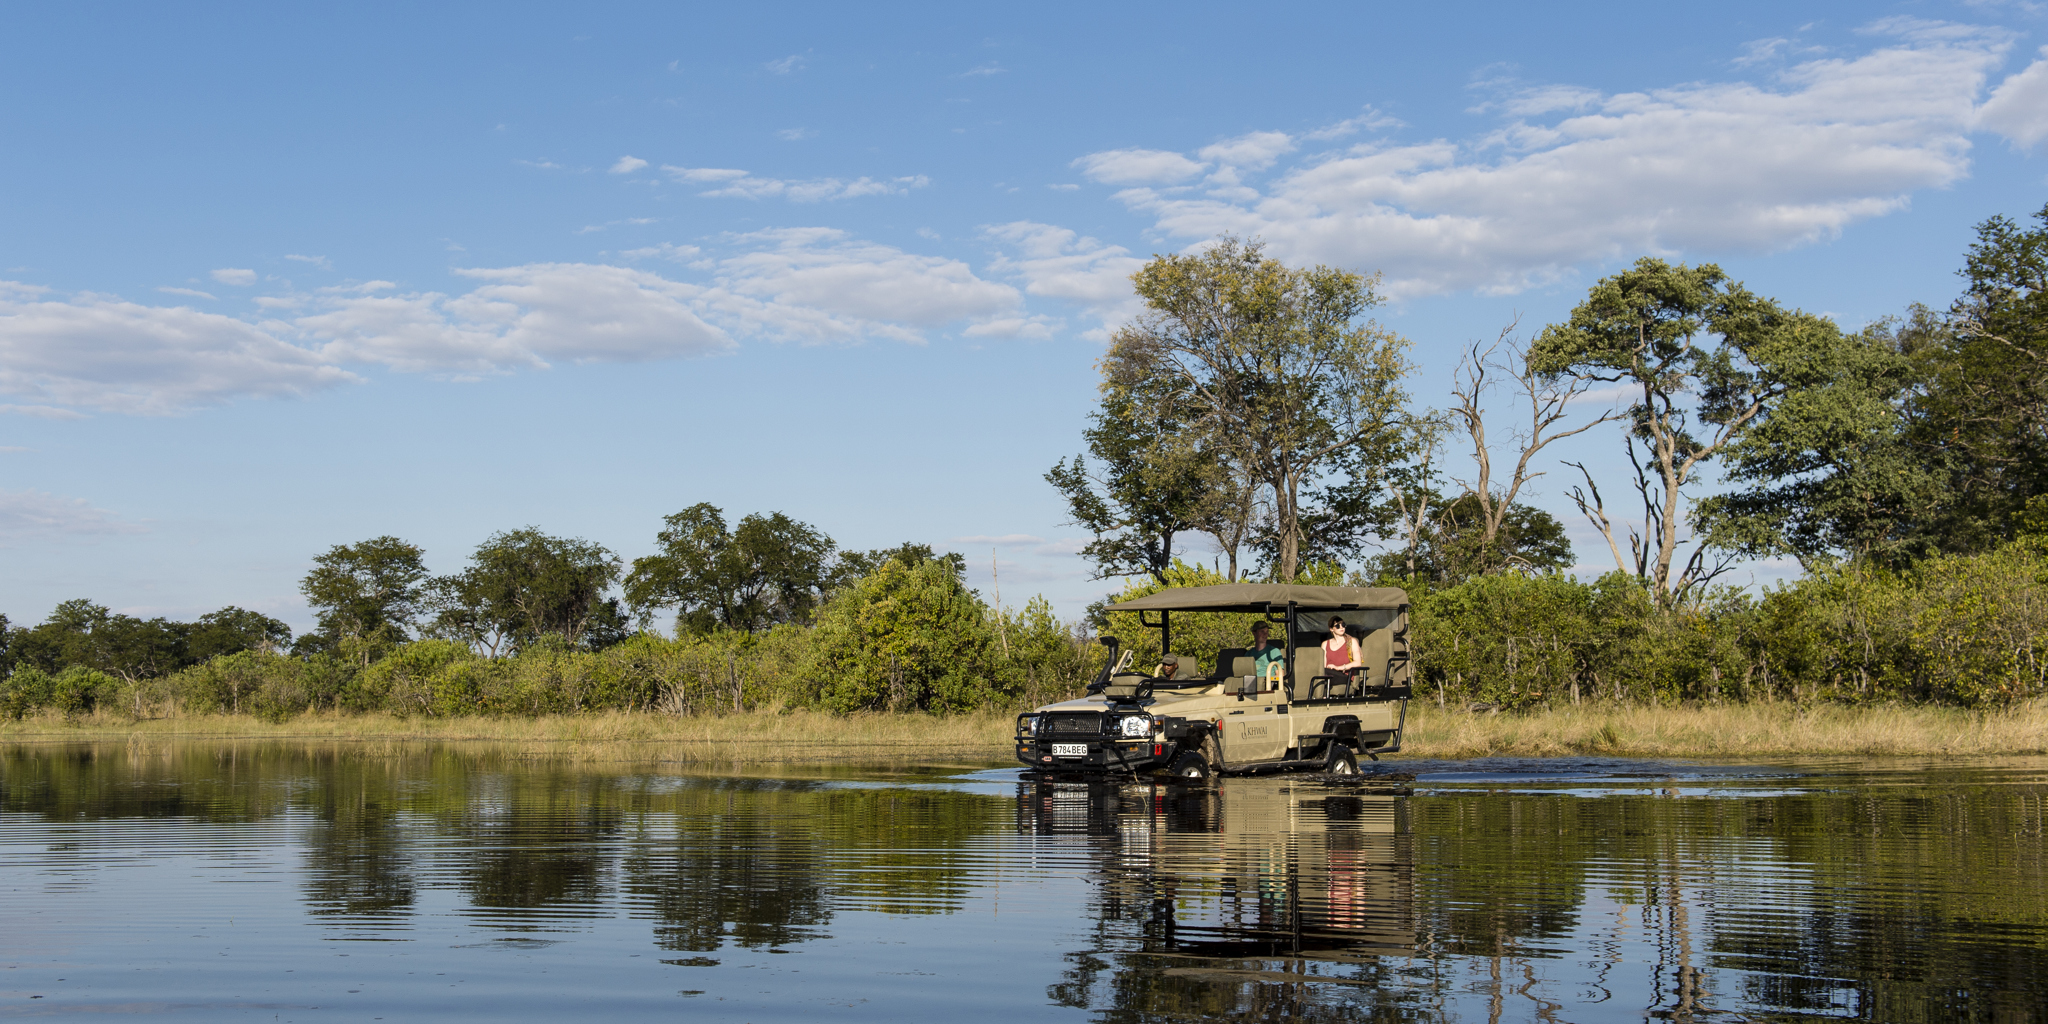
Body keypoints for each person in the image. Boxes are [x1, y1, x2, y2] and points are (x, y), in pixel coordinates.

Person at [1322, 617, 1363, 689]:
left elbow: (1358, 662)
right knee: (1321, 672)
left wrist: (1338, 668)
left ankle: (1324, 697)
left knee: (1324, 674)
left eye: (1343, 625)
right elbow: (1323, 665)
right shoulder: (1325, 644)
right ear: (1331, 629)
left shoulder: (1351, 641)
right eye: (1337, 626)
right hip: (1328, 673)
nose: (1341, 628)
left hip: (1344, 676)